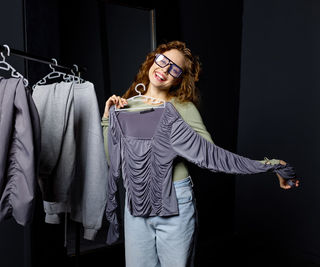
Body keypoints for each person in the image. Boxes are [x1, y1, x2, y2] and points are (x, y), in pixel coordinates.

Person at [100, 40, 299, 267]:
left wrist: (270, 165)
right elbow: (113, 160)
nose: (164, 70)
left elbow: (211, 156)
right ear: (152, 60)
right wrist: (108, 119)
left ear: (179, 78)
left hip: (176, 201)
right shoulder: (126, 105)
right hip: (135, 204)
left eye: (174, 68)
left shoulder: (183, 108)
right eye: (162, 61)